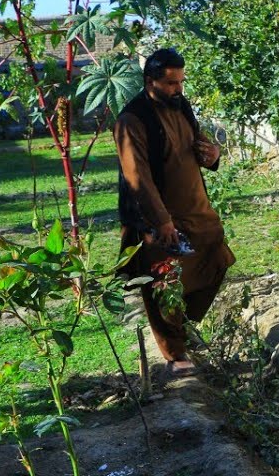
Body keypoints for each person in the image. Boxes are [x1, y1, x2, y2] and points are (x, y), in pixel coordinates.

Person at [115, 47, 235, 376]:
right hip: (157, 217)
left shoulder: (181, 105)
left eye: (181, 81)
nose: (178, 88)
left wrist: (213, 154)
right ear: (149, 82)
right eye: (170, 83)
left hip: (195, 209)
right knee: (163, 279)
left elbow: (197, 142)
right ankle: (175, 353)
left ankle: (184, 328)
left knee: (217, 258)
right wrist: (162, 221)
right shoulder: (132, 120)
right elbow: (137, 177)